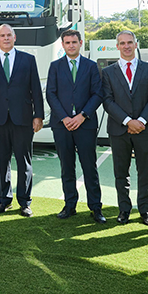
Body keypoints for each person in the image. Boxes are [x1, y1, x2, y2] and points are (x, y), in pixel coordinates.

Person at [0, 24, 44, 216]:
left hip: (23, 119)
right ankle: (4, 200)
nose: (6, 38)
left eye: (9, 35)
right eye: (2, 35)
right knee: (1, 162)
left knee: (24, 162)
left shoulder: (28, 60)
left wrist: (38, 115)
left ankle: (24, 202)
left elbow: (36, 90)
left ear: (15, 38)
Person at [101, 30, 148, 226]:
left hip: (145, 129)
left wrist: (141, 121)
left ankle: (145, 210)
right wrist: (128, 121)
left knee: (145, 172)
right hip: (119, 130)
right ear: (117, 46)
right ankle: (124, 209)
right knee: (121, 173)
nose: (126, 46)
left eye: (130, 42)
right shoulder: (108, 72)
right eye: (122, 43)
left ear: (136, 44)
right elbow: (108, 101)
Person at [46, 30, 105, 223]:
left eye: (74, 42)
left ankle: (96, 207)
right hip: (62, 125)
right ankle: (70, 205)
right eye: (67, 42)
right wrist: (64, 117)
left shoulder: (91, 66)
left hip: (85, 124)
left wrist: (82, 116)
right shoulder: (55, 67)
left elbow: (97, 94)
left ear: (80, 43)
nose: (71, 45)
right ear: (62, 45)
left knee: (90, 167)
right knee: (66, 167)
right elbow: (51, 94)